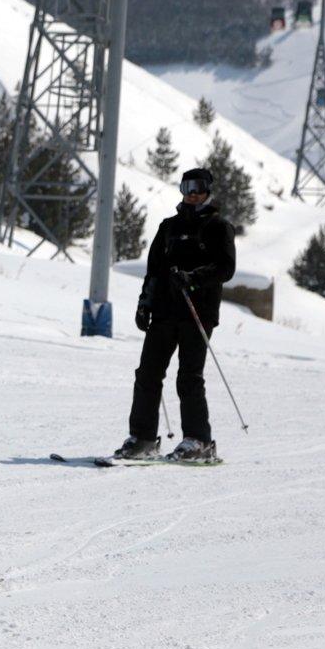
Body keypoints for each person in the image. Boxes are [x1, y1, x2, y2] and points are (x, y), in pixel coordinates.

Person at [115, 167, 236, 463]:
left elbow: (225, 268)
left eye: (198, 187)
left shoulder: (218, 227)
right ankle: (143, 439)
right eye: (186, 187)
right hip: (165, 311)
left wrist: (193, 278)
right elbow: (154, 270)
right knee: (147, 374)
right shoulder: (168, 226)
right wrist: (145, 303)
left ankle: (199, 441)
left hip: (198, 312)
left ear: (208, 190)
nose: (192, 193)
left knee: (188, 377)